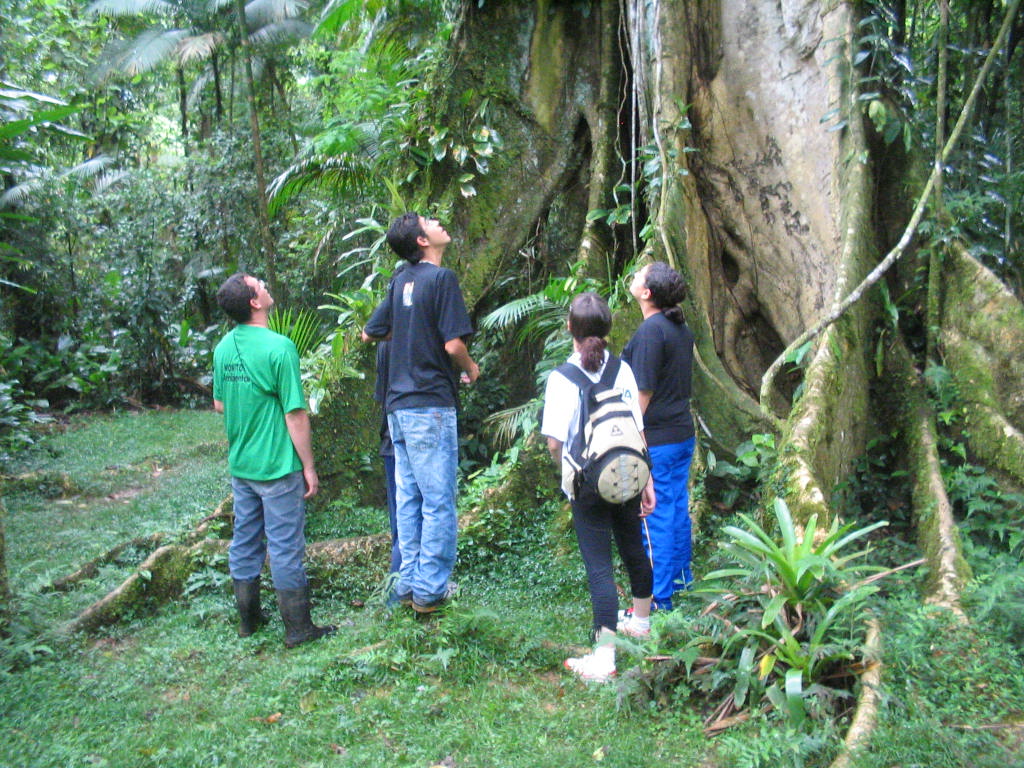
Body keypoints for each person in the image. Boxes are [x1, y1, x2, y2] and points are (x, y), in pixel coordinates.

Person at [361, 213, 479, 613]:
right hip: (430, 405)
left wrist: (412, 330)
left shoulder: (400, 280)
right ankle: (431, 590)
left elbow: (371, 330)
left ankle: (409, 582)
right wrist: (471, 368)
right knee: (439, 500)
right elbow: (452, 346)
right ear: (422, 240)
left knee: (410, 498)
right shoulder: (441, 280)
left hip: (397, 407)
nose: (438, 221)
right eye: (429, 221)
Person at [213, 273, 336, 648]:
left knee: (245, 541)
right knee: (284, 546)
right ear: (254, 302)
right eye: (259, 284)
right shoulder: (279, 347)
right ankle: (298, 629)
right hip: (278, 466)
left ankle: (248, 621)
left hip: (242, 465)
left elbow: (220, 403)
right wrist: (309, 467)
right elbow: (295, 414)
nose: (266, 285)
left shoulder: (222, 348)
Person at [541, 292, 655, 682]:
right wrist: (647, 479)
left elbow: (555, 443)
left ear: (569, 328)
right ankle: (641, 622)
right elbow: (637, 428)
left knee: (600, 565)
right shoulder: (622, 370)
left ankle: (604, 658)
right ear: (607, 329)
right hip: (627, 472)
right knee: (633, 546)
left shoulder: (561, 379)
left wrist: (566, 476)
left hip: (588, 483)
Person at [622, 262, 696, 612]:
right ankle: (681, 582)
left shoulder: (652, 331)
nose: (634, 277)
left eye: (639, 275)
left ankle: (658, 597)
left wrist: (629, 441)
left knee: (656, 516)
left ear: (647, 293)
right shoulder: (677, 328)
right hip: (681, 433)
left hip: (658, 440)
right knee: (677, 509)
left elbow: (642, 396)